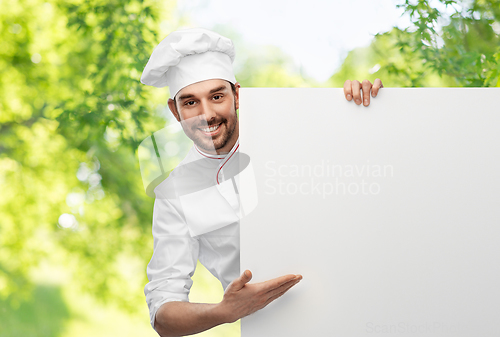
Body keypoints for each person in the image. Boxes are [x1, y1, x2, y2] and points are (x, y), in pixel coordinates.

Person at [140, 28, 383, 337]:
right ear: (175, 110)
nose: (207, 114)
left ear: (237, 94)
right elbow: (163, 313)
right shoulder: (174, 195)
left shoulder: (294, 135)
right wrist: (224, 311)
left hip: (363, 306)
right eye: (190, 103)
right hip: (275, 328)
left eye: (217, 96)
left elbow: (363, 175)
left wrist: (363, 111)